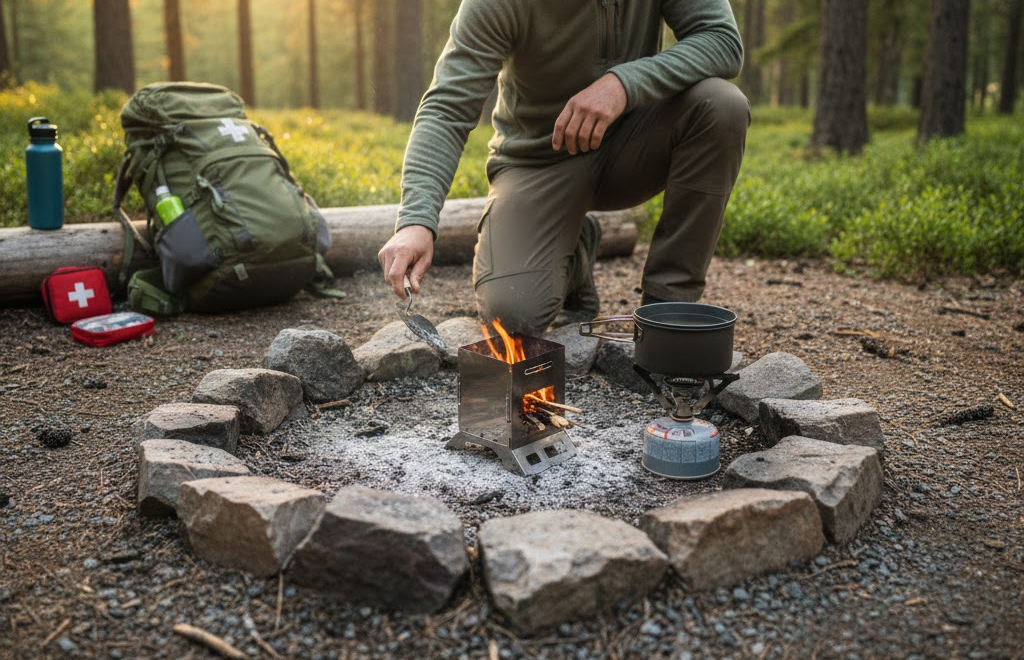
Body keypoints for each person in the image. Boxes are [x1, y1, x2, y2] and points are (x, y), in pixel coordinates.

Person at [378, 0, 750, 336]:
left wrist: (623, 83)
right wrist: (416, 220)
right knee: (512, 318)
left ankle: (668, 310)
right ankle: (575, 257)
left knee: (721, 105)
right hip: (538, 161)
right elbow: (446, 109)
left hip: (636, 145)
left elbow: (722, 41)